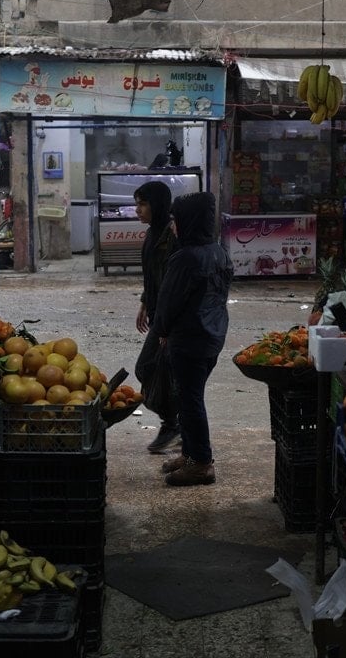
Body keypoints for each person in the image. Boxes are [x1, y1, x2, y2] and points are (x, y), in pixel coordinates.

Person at [150, 191, 232, 487]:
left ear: (190, 221)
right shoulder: (218, 251)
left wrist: (161, 330)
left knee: (190, 399)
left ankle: (201, 463)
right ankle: (190, 454)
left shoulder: (185, 258)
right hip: (213, 335)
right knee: (188, 397)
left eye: (176, 220)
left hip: (189, 339)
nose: (173, 226)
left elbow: (168, 301)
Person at [132, 180, 179, 453]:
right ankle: (177, 425)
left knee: (147, 368)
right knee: (160, 372)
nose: (137, 210)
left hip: (170, 319)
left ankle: (173, 424)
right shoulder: (153, 233)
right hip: (159, 313)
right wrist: (144, 302)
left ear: (158, 205)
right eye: (136, 204)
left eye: (143, 204)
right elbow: (152, 275)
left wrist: (165, 327)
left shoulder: (171, 236)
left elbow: (173, 283)